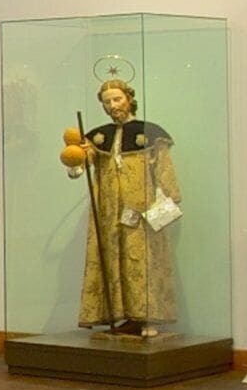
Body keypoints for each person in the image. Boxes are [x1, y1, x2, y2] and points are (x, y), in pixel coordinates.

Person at [60, 76, 180, 333]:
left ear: (129, 99)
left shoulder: (151, 134)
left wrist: (158, 214)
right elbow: (80, 167)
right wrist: (74, 158)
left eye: (117, 99)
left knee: (140, 261)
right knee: (112, 260)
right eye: (107, 102)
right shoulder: (99, 138)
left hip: (141, 212)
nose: (113, 105)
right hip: (108, 214)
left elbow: (167, 180)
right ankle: (118, 314)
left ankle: (145, 318)